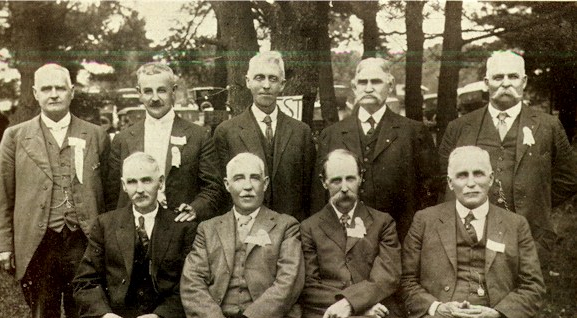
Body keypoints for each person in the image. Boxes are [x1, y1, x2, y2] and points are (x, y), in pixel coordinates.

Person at [438, 50, 577, 318]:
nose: (505, 84)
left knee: (517, 296)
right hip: (472, 229)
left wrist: (537, 205)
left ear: (524, 82)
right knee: (476, 291)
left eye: (512, 77)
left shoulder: (546, 125)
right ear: (486, 83)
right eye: (497, 78)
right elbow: (443, 176)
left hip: (525, 230)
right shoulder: (461, 127)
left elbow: (569, 177)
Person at [0, 63, 110, 318]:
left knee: (85, 316)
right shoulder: (16, 135)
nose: (54, 94)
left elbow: (112, 191)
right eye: (47, 89)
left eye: (61, 87)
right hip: (38, 243)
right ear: (35, 94)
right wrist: (2, 244)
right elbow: (1, 193)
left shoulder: (95, 135)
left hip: (82, 241)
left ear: (73, 91)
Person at [401, 146, 545, 318]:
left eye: (478, 174)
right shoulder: (425, 220)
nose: (470, 182)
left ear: (491, 179)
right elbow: (406, 281)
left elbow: (533, 287)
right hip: (441, 317)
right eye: (462, 175)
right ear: (449, 181)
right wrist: (439, 307)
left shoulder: (515, 225)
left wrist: (495, 313)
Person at [52, 152, 196, 318]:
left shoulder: (182, 227)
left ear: (161, 182)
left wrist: (158, 316)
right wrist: (105, 316)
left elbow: (190, 285)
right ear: (123, 185)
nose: (140, 189)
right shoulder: (106, 224)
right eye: (132, 182)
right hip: (114, 317)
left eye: (146, 181)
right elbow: (85, 281)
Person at [170, 152, 304, 318]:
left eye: (255, 178)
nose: (247, 186)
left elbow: (289, 281)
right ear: (226, 184)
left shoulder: (285, 226)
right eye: (239, 178)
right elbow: (192, 281)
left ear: (265, 184)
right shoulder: (207, 229)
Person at [300, 149, 406, 318]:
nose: (344, 188)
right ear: (324, 183)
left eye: (350, 178)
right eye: (336, 180)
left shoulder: (383, 223)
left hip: (378, 316)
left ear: (361, 179)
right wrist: (358, 305)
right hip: (328, 317)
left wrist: (351, 303)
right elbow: (309, 284)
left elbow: (388, 276)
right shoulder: (309, 228)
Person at [311, 57, 439, 240]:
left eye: (376, 82)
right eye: (363, 82)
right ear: (354, 88)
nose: (369, 88)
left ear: (390, 84)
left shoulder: (413, 133)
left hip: (400, 239)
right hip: (343, 242)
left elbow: (429, 191)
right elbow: (319, 195)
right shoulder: (332, 135)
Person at [106, 62, 224, 222]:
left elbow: (213, 187)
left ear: (173, 91)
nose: (155, 98)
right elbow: (113, 193)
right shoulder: (123, 139)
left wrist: (195, 209)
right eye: (148, 91)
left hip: (181, 228)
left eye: (161, 90)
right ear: (139, 93)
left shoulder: (199, 136)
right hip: (135, 230)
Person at [215, 51, 315, 221]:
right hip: (243, 231)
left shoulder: (301, 132)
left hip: (291, 232)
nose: (266, 85)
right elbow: (220, 191)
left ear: (282, 84)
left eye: (273, 79)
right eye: (259, 78)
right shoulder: (226, 131)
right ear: (248, 82)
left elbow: (311, 191)